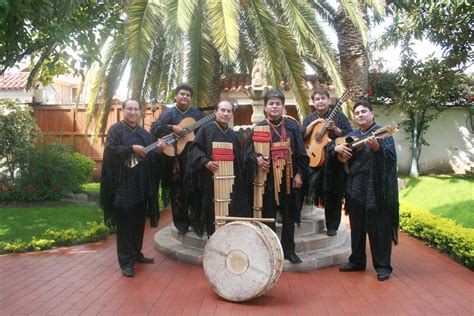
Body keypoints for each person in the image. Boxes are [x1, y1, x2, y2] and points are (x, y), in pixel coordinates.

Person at [328, 100, 399, 281]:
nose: (360, 115)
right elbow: (331, 150)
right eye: (357, 113)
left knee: (378, 227)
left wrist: (377, 148)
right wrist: (337, 149)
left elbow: (391, 159)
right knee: (357, 226)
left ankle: (383, 266)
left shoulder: (383, 133)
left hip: (376, 187)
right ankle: (357, 261)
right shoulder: (352, 135)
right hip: (355, 185)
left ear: (372, 113)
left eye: (364, 112)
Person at [100, 99, 164, 277]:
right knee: (126, 225)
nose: (133, 112)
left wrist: (159, 150)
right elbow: (111, 151)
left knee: (138, 223)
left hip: (141, 184)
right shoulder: (115, 130)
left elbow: (150, 155)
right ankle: (126, 262)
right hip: (123, 184)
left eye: (136, 109)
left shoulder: (144, 133)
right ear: (123, 110)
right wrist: (131, 148)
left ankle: (136, 254)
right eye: (130, 109)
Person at [243, 90, 308, 264]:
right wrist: (256, 159)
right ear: (265, 107)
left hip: (288, 178)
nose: (274, 106)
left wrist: (299, 174)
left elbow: (302, 153)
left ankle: (289, 251)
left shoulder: (292, 127)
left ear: (283, 107)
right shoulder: (258, 128)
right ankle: (270, 250)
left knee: (289, 216)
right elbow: (247, 153)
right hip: (267, 180)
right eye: (271, 103)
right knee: (268, 215)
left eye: (278, 103)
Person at [186, 101, 250, 236]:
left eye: (229, 111)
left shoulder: (233, 134)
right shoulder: (206, 129)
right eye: (222, 110)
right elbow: (194, 149)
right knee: (212, 211)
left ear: (232, 114)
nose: (226, 114)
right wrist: (205, 162)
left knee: (230, 209)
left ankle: (227, 237)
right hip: (209, 180)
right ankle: (213, 237)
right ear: (216, 112)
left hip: (229, 182)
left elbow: (238, 158)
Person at [151, 83, 203, 235]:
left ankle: (197, 222)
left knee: (195, 190)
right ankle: (181, 223)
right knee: (178, 192)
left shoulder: (197, 114)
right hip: (174, 160)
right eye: (182, 94)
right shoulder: (169, 112)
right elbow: (155, 128)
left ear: (191, 98)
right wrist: (172, 128)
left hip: (192, 158)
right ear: (175, 96)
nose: (185, 97)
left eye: (188, 95)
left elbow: (204, 131)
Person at [301, 89, 353, 236]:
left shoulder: (339, 117)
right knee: (307, 187)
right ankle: (299, 217)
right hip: (314, 160)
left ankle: (332, 226)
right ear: (313, 102)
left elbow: (349, 135)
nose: (320, 101)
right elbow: (302, 134)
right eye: (317, 99)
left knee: (333, 193)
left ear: (329, 101)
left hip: (334, 163)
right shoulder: (309, 117)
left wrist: (335, 129)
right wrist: (315, 123)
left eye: (323, 98)